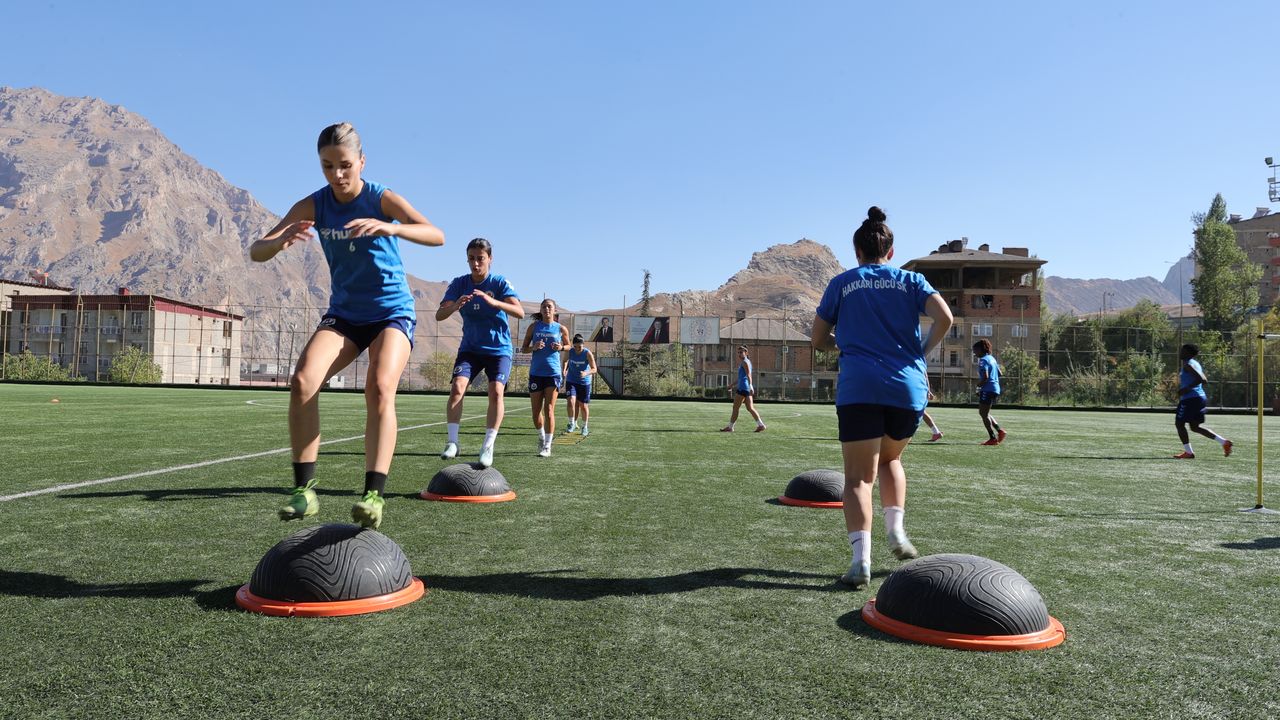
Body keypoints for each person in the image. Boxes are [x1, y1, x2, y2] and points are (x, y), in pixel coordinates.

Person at [250, 122, 444, 530]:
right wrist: (280, 241)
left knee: (379, 387)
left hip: (392, 312)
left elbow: (435, 235)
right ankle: (305, 492)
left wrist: (390, 226)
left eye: (345, 165)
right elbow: (257, 251)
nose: (337, 175)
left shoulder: (380, 197)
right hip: (345, 315)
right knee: (303, 381)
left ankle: (373, 495)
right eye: (327, 166)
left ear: (361, 162)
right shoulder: (315, 204)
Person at [811, 206, 953, 589]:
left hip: (860, 386)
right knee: (891, 459)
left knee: (858, 478)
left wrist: (839, 345)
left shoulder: (842, 283)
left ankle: (861, 562)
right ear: (890, 252)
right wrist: (921, 352)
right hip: (907, 387)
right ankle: (897, 532)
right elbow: (945, 318)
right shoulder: (911, 280)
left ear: (857, 252)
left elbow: (818, 339)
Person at [437, 238, 525, 467]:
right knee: (457, 388)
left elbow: (519, 312)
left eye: (480, 259)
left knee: (496, 392)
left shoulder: (499, 283)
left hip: (498, 349)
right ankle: (452, 443)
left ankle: (488, 445)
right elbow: (439, 315)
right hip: (470, 348)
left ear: (490, 259)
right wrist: (455, 305)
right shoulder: (459, 283)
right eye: (471, 259)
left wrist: (493, 302)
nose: (475, 264)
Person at [521, 298, 570, 457]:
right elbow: (523, 349)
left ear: (554, 310)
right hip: (536, 373)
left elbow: (569, 346)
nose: (546, 309)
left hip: (553, 373)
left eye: (549, 307)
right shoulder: (533, 327)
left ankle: (548, 446)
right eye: (544, 307)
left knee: (549, 409)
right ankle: (541, 437)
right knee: (536, 412)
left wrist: (561, 347)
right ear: (540, 310)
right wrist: (533, 347)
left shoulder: (561, 328)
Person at [1173, 343, 1233, 459]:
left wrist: (1187, 389)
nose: (1180, 352)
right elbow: (1203, 379)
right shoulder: (1195, 363)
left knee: (1179, 424)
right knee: (1194, 427)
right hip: (1199, 398)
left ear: (1188, 353)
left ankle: (1189, 453)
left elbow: (1202, 379)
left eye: (1182, 350)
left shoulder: (1188, 364)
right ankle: (1224, 442)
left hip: (1191, 399)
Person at [720, 345, 765, 432]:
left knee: (735, 407)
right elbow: (741, 377)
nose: (739, 354)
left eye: (741, 352)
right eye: (738, 352)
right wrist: (731, 385)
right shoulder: (747, 362)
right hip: (746, 388)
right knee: (750, 408)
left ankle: (730, 427)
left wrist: (751, 386)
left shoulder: (745, 362)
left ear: (746, 353)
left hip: (743, 388)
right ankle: (761, 425)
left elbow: (748, 375)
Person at [562, 333, 597, 436]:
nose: (577, 349)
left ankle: (585, 426)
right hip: (571, 380)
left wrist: (586, 373)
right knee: (570, 401)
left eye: (579, 347)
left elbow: (594, 369)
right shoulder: (570, 351)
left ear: (583, 345)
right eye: (575, 346)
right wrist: (564, 370)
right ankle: (571, 423)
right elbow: (565, 361)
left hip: (584, 382)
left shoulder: (587, 353)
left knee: (583, 405)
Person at [973, 339, 1006, 445]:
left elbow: (986, 377)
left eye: (975, 350)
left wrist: (978, 386)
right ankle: (1000, 431)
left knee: (983, 414)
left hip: (988, 389)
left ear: (980, 349)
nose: (974, 353)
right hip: (995, 388)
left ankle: (993, 438)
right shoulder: (992, 358)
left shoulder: (983, 360)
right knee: (985, 413)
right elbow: (1000, 373)